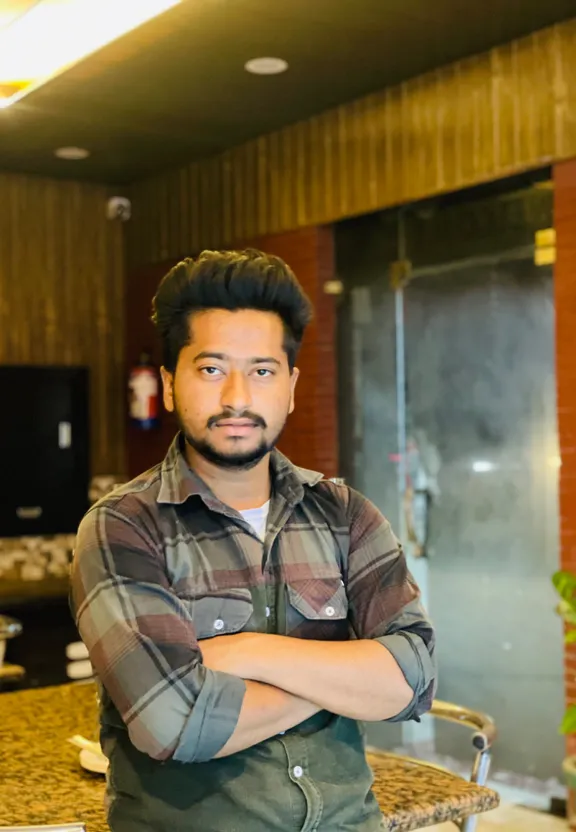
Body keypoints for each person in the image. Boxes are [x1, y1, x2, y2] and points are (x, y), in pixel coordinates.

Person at [70, 248, 437, 832]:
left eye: (262, 371)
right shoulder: (123, 528)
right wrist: (346, 679)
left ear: (290, 387)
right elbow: (176, 722)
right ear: (169, 384)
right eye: (211, 369)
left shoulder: (345, 515)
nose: (237, 397)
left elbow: (413, 680)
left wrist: (245, 653)